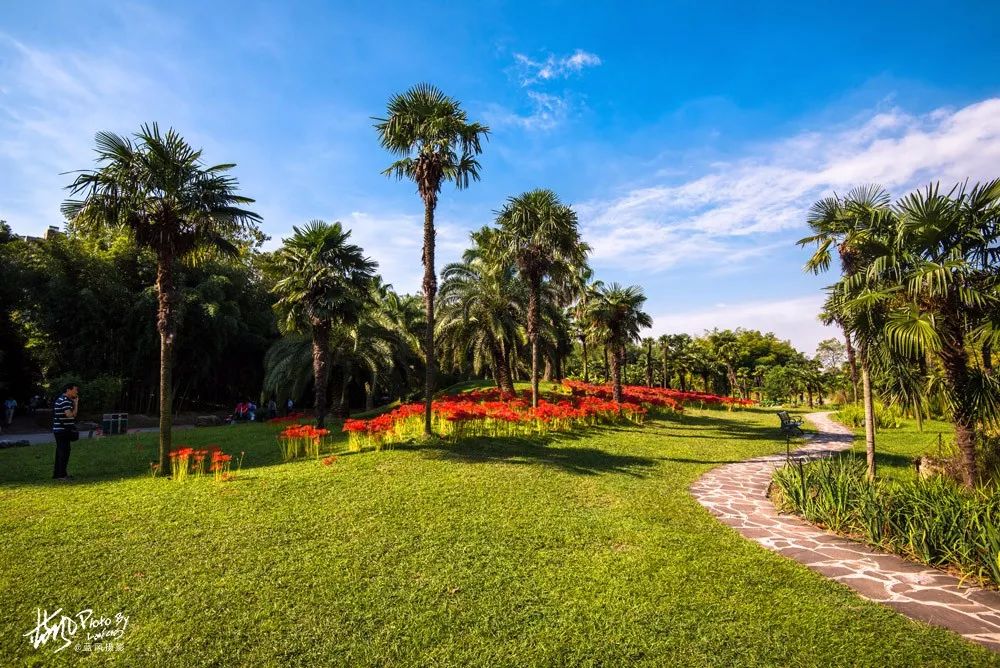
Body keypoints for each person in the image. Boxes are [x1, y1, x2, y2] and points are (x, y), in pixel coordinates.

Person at [52, 383, 79, 481]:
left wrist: (75, 404)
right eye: (75, 389)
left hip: (60, 430)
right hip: (62, 431)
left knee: (61, 452)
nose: (76, 392)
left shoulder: (63, 400)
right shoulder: (64, 401)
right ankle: (61, 475)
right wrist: (76, 404)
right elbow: (70, 415)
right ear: (68, 390)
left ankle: (58, 474)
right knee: (64, 452)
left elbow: (72, 415)